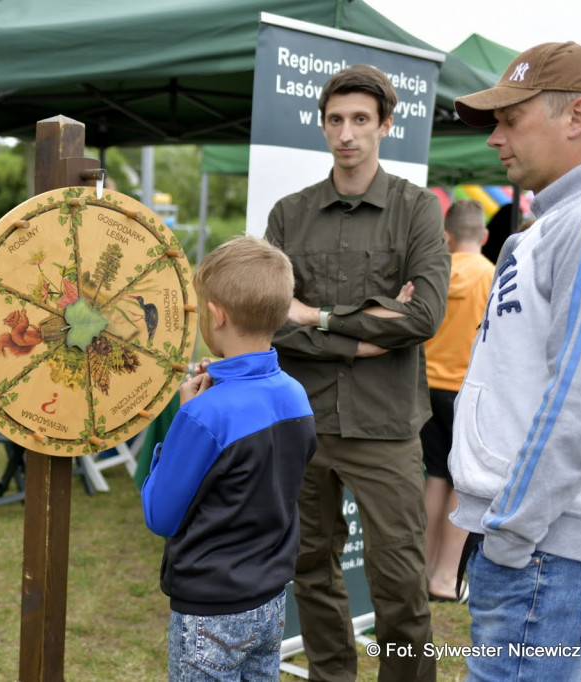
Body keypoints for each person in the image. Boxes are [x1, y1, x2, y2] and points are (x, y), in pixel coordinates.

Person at [264, 64, 449, 682]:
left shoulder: (417, 209)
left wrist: (314, 316)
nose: (347, 133)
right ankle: (332, 675)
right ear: (322, 126)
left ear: (385, 126)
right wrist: (365, 333)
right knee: (309, 568)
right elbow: (267, 318)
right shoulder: (288, 215)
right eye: (336, 120)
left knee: (400, 581)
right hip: (304, 420)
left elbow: (422, 314)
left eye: (361, 120)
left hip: (386, 426)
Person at [450, 41, 581, 680]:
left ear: (576, 116)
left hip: (546, 552)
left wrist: (511, 535)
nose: (494, 138)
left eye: (510, 119)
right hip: (539, 547)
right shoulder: (560, 220)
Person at [141, 235, 316, 681]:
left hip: (210, 608)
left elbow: (160, 514)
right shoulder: (296, 395)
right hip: (271, 598)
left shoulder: (202, 415)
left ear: (216, 314)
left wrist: (181, 424)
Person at [420, 199, 494, 603]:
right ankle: (446, 578)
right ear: (483, 236)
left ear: (446, 237)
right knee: (463, 486)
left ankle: (424, 568)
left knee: (434, 477)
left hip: (427, 389)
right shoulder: (493, 273)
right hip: (467, 393)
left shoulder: (438, 271)